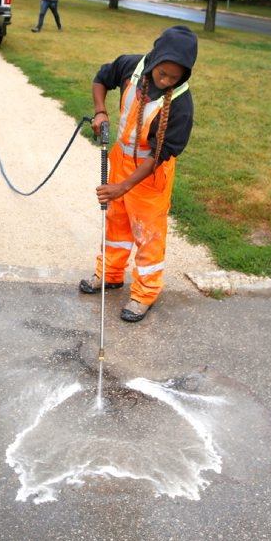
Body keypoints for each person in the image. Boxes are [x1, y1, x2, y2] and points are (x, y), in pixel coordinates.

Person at [79, 25, 198, 323]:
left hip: (150, 173)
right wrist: (100, 111)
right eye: (163, 72)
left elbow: (158, 157)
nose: (167, 79)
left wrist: (123, 187)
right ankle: (110, 274)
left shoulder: (181, 106)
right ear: (155, 57)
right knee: (116, 222)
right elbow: (100, 79)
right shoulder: (131, 66)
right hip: (121, 158)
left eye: (175, 76)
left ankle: (145, 293)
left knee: (148, 234)